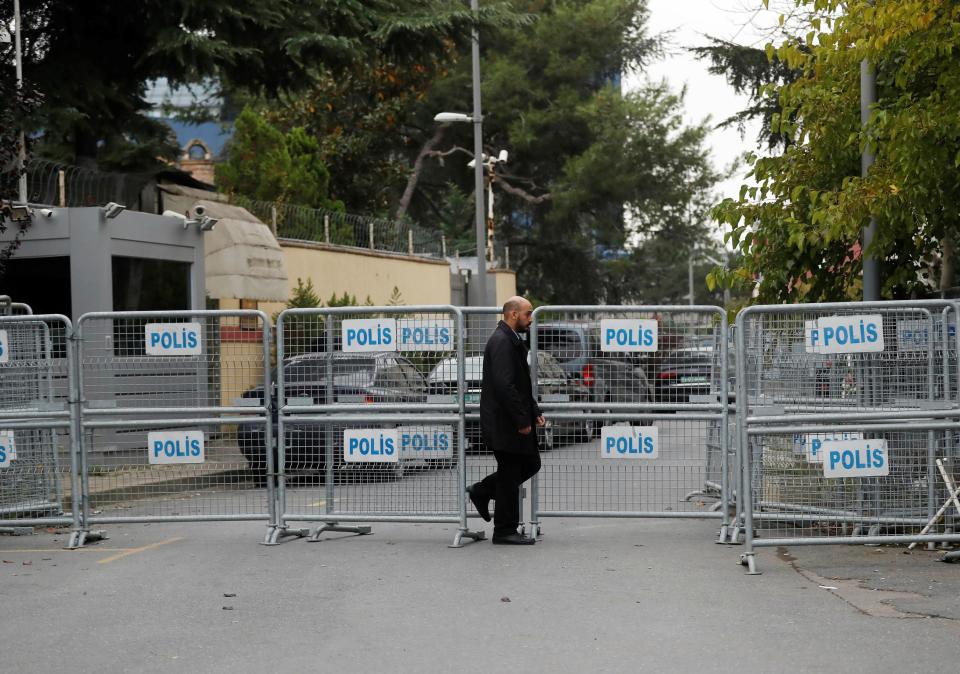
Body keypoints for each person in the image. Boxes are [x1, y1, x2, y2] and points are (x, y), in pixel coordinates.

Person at [467, 296, 545, 545]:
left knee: (529, 464)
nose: (530, 319)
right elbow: (505, 386)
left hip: (511, 420)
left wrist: (533, 411)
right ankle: (504, 530)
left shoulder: (511, 340)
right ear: (513, 314)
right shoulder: (501, 342)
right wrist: (522, 420)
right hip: (505, 423)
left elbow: (521, 384)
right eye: (527, 314)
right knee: (512, 472)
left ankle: (482, 491)